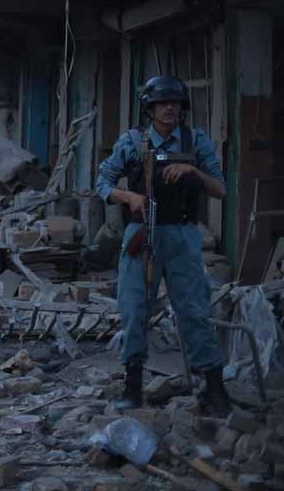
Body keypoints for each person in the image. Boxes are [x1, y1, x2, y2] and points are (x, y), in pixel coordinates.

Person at [96, 75, 231, 414]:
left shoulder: (195, 141)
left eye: (176, 103)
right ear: (150, 108)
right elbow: (102, 182)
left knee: (195, 312)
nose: (170, 108)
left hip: (183, 236)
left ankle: (213, 388)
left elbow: (221, 189)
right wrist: (129, 197)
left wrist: (193, 172)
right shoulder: (133, 142)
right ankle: (132, 387)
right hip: (142, 234)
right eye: (162, 103)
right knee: (134, 310)